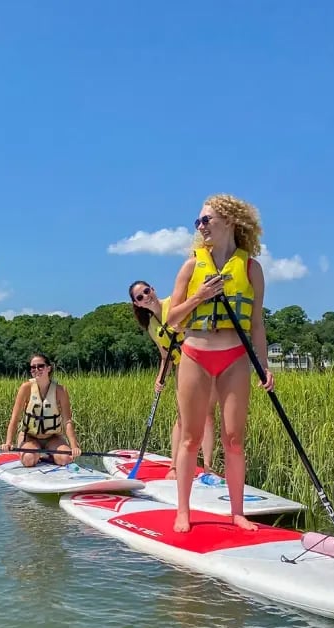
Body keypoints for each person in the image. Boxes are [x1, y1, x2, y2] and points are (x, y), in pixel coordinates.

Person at [166, 194, 275, 533]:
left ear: (229, 221)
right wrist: (200, 297)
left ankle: (237, 513)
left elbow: (256, 324)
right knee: (190, 437)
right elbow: (173, 320)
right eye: (198, 222)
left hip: (235, 358)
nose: (201, 226)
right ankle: (183, 510)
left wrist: (264, 365)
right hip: (196, 354)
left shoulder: (250, 268)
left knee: (234, 438)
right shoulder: (191, 266)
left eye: (206, 220)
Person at [128, 280, 218, 478]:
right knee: (182, 417)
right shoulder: (152, 326)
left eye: (146, 291)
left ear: (153, 288)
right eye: (140, 297)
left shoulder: (175, 302)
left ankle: (208, 468)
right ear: (138, 304)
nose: (146, 296)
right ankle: (174, 468)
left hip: (202, 359)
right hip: (181, 367)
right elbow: (164, 354)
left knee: (207, 415)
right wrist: (160, 377)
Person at [0, 354, 82, 467]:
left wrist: (74, 446)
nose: (36, 370)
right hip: (30, 437)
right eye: (33, 367)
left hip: (53, 437)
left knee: (65, 459)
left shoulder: (60, 390)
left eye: (40, 366)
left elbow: (67, 421)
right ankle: (35, 454)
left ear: (48, 368)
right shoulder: (26, 388)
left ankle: (47, 456)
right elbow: (15, 418)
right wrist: (8, 442)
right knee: (28, 460)